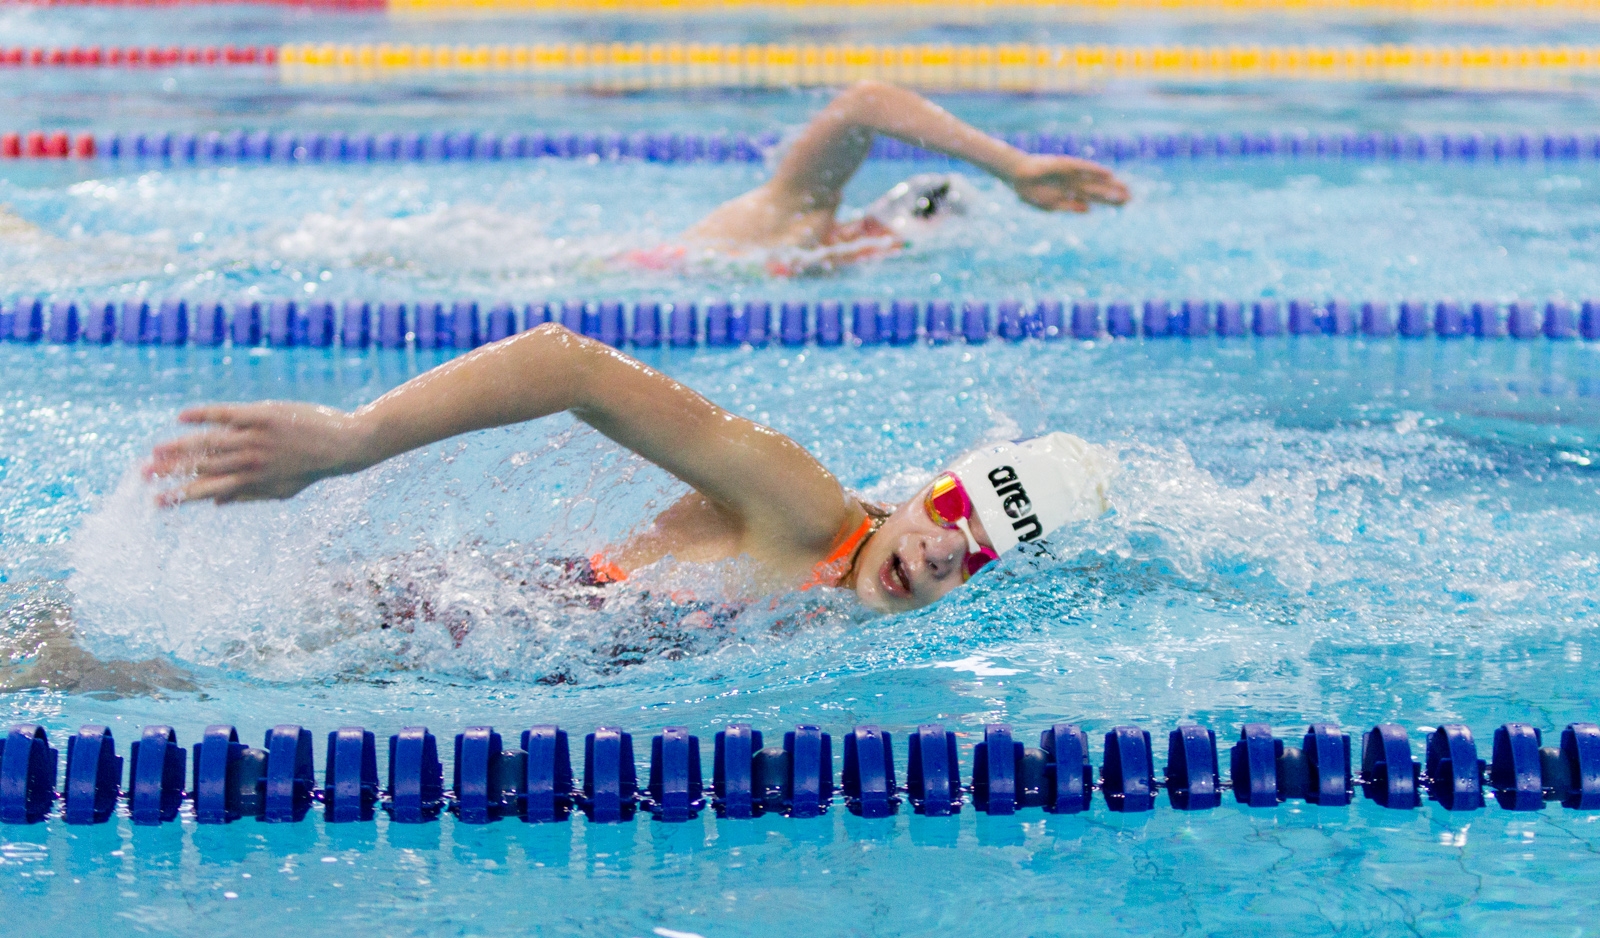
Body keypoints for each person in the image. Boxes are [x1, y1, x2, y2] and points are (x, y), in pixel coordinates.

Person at [144, 321, 1114, 615]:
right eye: (953, 506)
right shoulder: (804, 507)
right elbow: (568, 364)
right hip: (453, 616)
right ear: (925, 482)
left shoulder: (859, 601)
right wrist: (353, 440)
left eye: (983, 554)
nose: (942, 548)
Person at [634, 80, 1130, 274]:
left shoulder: (816, 258)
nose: (880, 251)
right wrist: (1012, 165)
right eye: (888, 240)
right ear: (876, 224)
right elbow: (865, 102)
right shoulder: (795, 217)